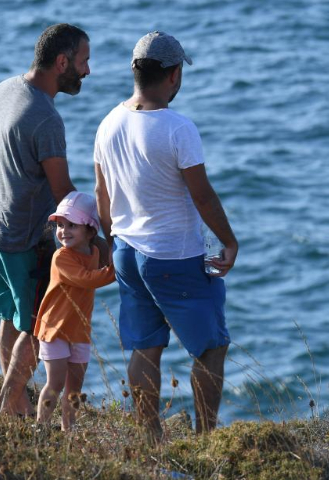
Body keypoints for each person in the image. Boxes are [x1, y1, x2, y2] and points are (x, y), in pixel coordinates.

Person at [93, 31, 239, 439]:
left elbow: (102, 194)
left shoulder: (108, 123)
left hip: (125, 249)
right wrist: (229, 241)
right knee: (211, 346)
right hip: (172, 255)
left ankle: (150, 436)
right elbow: (203, 196)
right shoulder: (178, 127)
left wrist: (111, 242)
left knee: (145, 346)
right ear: (174, 75)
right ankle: (206, 436)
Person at [0, 23, 96, 416]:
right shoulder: (46, 118)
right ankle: (4, 409)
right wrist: (99, 229)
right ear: (62, 62)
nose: (87, 71)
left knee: (11, 320)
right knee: (34, 327)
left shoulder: (1, 92)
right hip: (23, 239)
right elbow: (63, 193)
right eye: (83, 61)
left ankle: (17, 412)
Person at [33, 192, 115, 430]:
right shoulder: (61, 257)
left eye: (72, 226)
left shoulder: (95, 253)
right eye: (60, 225)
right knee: (55, 383)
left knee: (75, 389)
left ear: (90, 231)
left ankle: (68, 430)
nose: (63, 231)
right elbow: (87, 279)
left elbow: (96, 269)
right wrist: (118, 269)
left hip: (79, 331)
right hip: (55, 329)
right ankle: (41, 428)